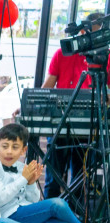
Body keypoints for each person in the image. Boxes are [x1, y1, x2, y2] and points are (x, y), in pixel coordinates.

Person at [41, 12, 107, 199]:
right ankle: (49, 212)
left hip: (87, 126)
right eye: (90, 33)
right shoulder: (62, 53)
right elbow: (48, 86)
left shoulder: (105, 58)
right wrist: (30, 104)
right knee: (53, 176)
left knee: (80, 176)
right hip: (59, 121)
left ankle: (74, 216)